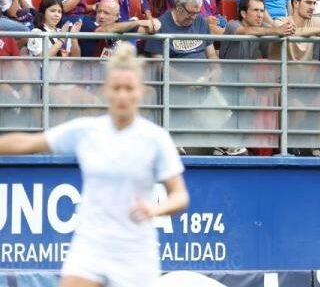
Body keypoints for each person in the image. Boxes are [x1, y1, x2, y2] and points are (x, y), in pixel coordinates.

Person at [0, 41, 188, 285]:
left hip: (136, 250)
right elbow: (28, 143)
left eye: (129, 88)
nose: (122, 94)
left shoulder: (155, 138)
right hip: (91, 244)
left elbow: (180, 196)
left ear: (140, 91)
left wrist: (156, 210)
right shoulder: (87, 131)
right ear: (106, 90)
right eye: (116, 88)